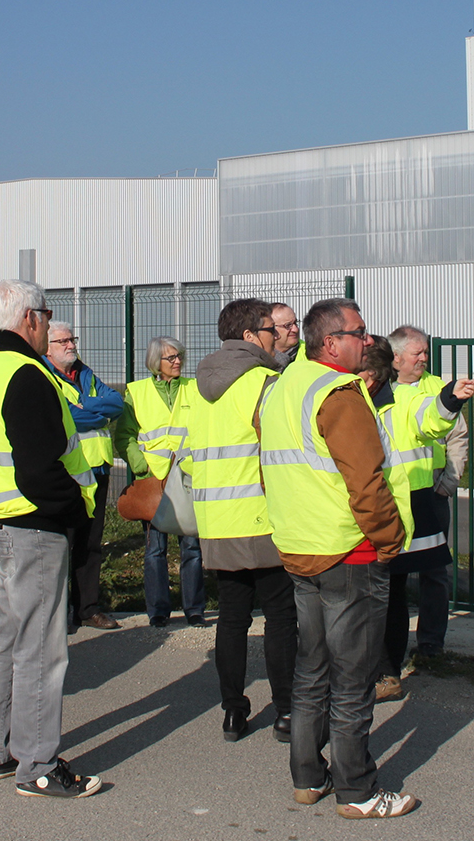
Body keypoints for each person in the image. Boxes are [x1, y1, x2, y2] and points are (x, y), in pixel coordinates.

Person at [260, 298, 417, 819]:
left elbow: (271, 465)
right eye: (360, 332)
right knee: (353, 679)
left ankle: (308, 778)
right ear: (331, 342)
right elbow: (366, 481)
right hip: (349, 550)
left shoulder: (283, 386)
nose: (368, 340)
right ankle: (358, 791)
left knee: (312, 669)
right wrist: (389, 540)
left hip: (300, 544)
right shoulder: (339, 393)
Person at [0, 278, 102, 799]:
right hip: (34, 527)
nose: (49, 323)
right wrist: (71, 510)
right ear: (30, 319)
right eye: (46, 314)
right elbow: (39, 468)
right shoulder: (26, 374)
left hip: (2, 523)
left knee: (7, 640)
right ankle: (38, 766)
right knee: (42, 652)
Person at [185, 298, 296, 743]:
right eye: (271, 329)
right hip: (263, 517)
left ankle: (233, 712)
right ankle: (286, 712)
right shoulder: (267, 383)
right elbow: (285, 451)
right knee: (280, 617)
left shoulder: (196, 388)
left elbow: (188, 457)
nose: (277, 336)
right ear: (250, 336)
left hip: (217, 521)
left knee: (232, 619)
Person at [359, 333, 474, 702]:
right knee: (376, 592)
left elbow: (435, 422)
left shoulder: (413, 395)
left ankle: (402, 662)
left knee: (403, 586)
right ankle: (373, 668)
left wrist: (450, 399)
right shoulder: (350, 398)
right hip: (372, 507)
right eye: (418, 352)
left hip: (414, 502)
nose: (424, 358)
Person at [115, 335, 206, 627]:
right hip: (152, 480)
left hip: (188, 475)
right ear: (156, 362)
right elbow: (124, 435)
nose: (178, 361)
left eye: (180, 356)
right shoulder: (137, 392)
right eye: (171, 357)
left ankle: (195, 609)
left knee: (191, 546)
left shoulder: (194, 388)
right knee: (155, 549)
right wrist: (139, 465)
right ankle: (158, 611)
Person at [44, 320, 126, 631]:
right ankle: (58, 612)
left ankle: (87, 608)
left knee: (91, 542)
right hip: (67, 470)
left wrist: (87, 405)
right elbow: (66, 415)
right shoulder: (44, 375)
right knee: (61, 543)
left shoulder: (85, 373)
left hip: (97, 467)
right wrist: (95, 412)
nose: (71, 345)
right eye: (63, 341)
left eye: (72, 339)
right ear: (48, 348)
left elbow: (116, 402)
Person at [269, 302, 302, 368]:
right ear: (272, 329)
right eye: (288, 325)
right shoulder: (258, 358)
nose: (295, 329)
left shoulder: (311, 353)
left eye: (295, 323)